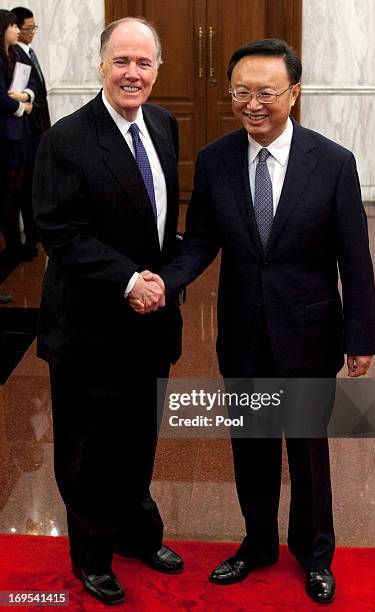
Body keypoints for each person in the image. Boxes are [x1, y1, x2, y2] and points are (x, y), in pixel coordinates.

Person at [138, 39, 375, 604]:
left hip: (310, 333)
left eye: (266, 92)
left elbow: (356, 257)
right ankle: (258, 543)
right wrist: (162, 282)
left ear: (293, 92)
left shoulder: (334, 161)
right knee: (251, 446)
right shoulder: (218, 159)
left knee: (308, 452)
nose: (253, 103)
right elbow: (199, 244)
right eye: (241, 92)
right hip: (244, 333)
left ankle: (315, 555)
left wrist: (360, 337)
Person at [32, 17, 183, 605]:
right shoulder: (66, 139)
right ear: (101, 64)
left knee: (139, 439)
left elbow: (161, 225)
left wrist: (163, 281)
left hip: (150, 325)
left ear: (156, 70)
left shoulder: (165, 125)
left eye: (144, 63)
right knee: (89, 450)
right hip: (89, 327)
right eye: (122, 61)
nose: (132, 73)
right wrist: (128, 280)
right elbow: (59, 232)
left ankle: (135, 535)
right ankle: (93, 555)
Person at [12, 6, 51, 255]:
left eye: (34, 27)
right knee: (23, 186)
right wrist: (24, 99)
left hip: (36, 122)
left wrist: (28, 94)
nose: (32, 32)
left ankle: (35, 230)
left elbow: (35, 85)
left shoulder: (29, 51)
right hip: (24, 128)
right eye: (28, 28)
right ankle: (29, 234)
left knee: (34, 183)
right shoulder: (14, 54)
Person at [0, 9, 34, 268]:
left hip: (17, 132)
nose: (16, 30)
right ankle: (12, 246)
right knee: (7, 194)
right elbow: (2, 97)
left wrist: (23, 99)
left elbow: (21, 87)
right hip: (5, 134)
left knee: (18, 190)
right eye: (12, 26)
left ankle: (18, 245)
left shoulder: (13, 55)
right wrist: (22, 107)